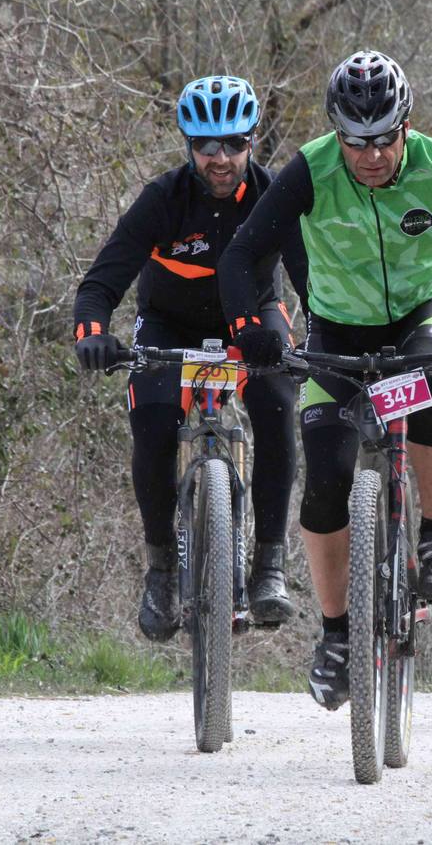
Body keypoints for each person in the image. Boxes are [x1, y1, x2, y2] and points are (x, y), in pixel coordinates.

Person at [218, 51, 432, 709]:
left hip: (425, 310)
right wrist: (252, 325)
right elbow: (242, 254)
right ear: (337, 134)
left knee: (431, 378)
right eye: (356, 142)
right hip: (336, 329)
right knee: (324, 481)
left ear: (406, 128)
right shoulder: (310, 169)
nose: (371, 155)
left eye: (385, 139)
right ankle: (335, 636)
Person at [71, 76, 301, 641]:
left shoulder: (277, 196)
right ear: (188, 147)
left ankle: (269, 564)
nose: (220, 158)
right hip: (168, 324)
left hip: (253, 322)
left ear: (252, 142)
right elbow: (101, 282)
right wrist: (93, 333)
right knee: (151, 429)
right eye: (206, 146)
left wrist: (317, 337)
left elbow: (312, 282)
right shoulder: (162, 200)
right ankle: (162, 572)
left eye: (233, 144)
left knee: (277, 404)